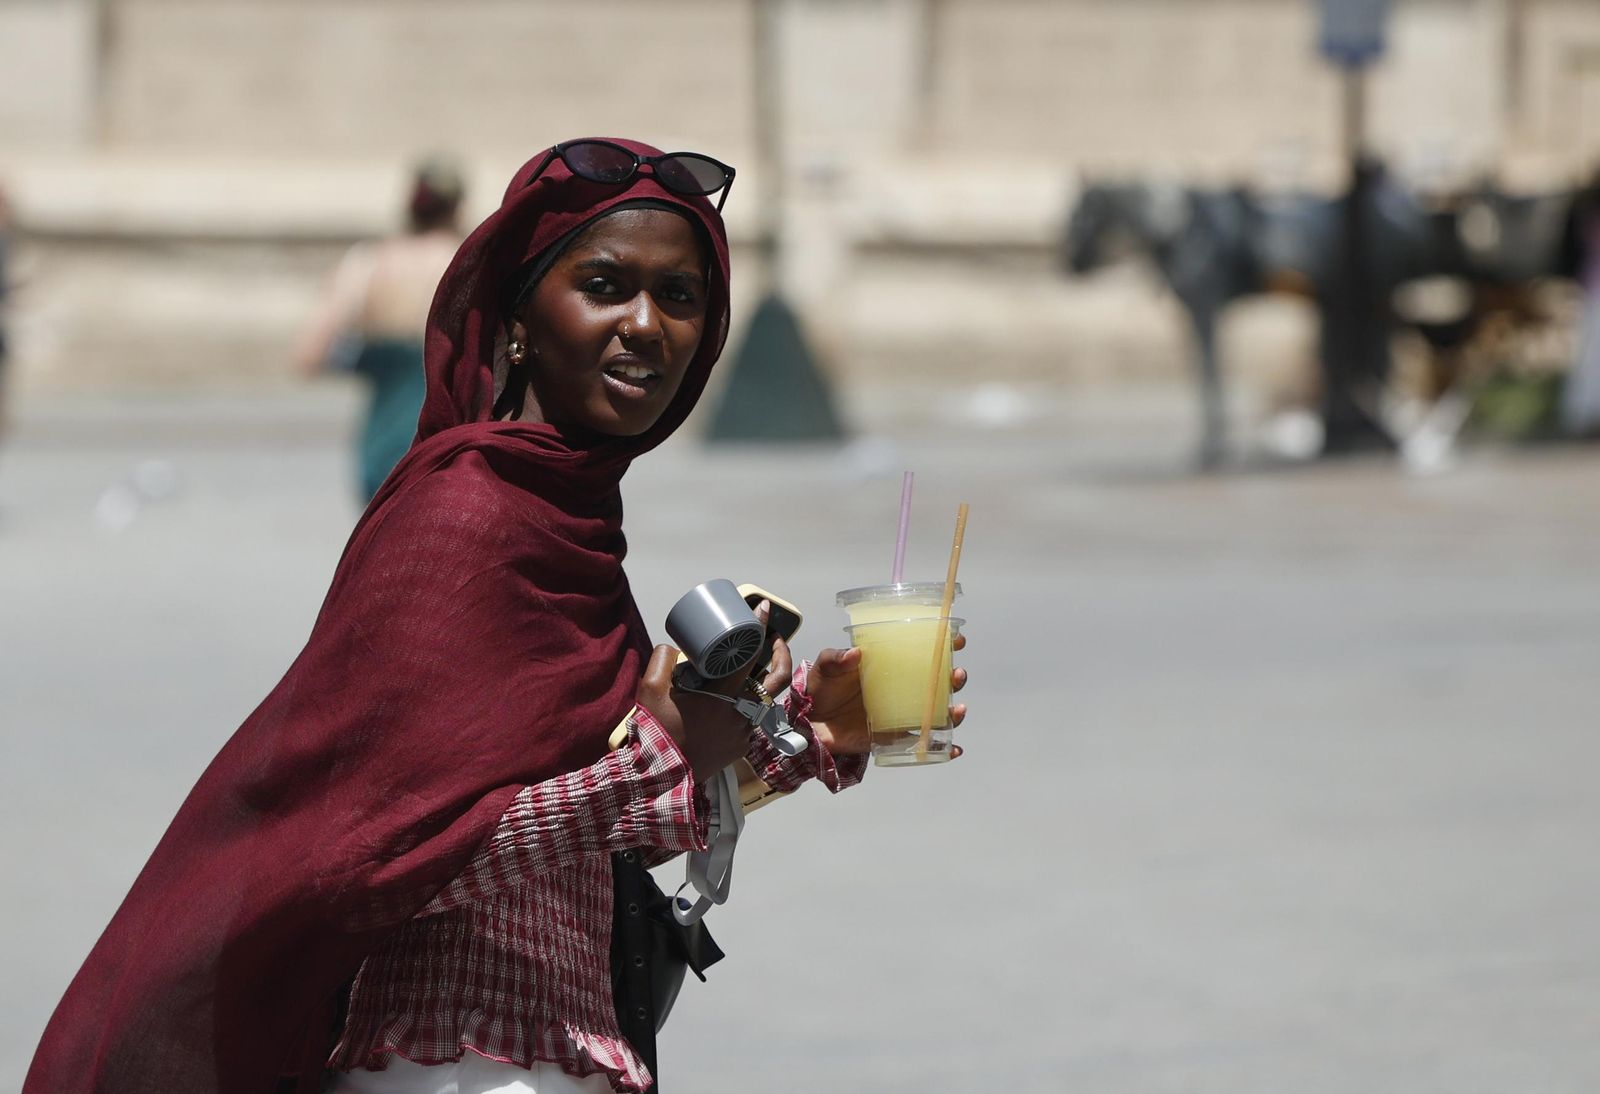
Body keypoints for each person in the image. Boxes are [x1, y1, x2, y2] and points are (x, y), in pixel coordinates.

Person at [24, 138, 970, 1094]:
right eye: (605, 284)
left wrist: (806, 732)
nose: (646, 324)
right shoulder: (465, 516)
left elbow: (598, 823)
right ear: (519, 320)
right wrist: (660, 753)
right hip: (449, 1062)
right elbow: (378, 861)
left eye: (681, 298)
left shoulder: (576, 524)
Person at [294, 157, 466, 501]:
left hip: (383, 446)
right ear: (457, 207)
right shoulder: (467, 261)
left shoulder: (368, 263)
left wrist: (369, 359)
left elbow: (310, 354)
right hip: (451, 446)